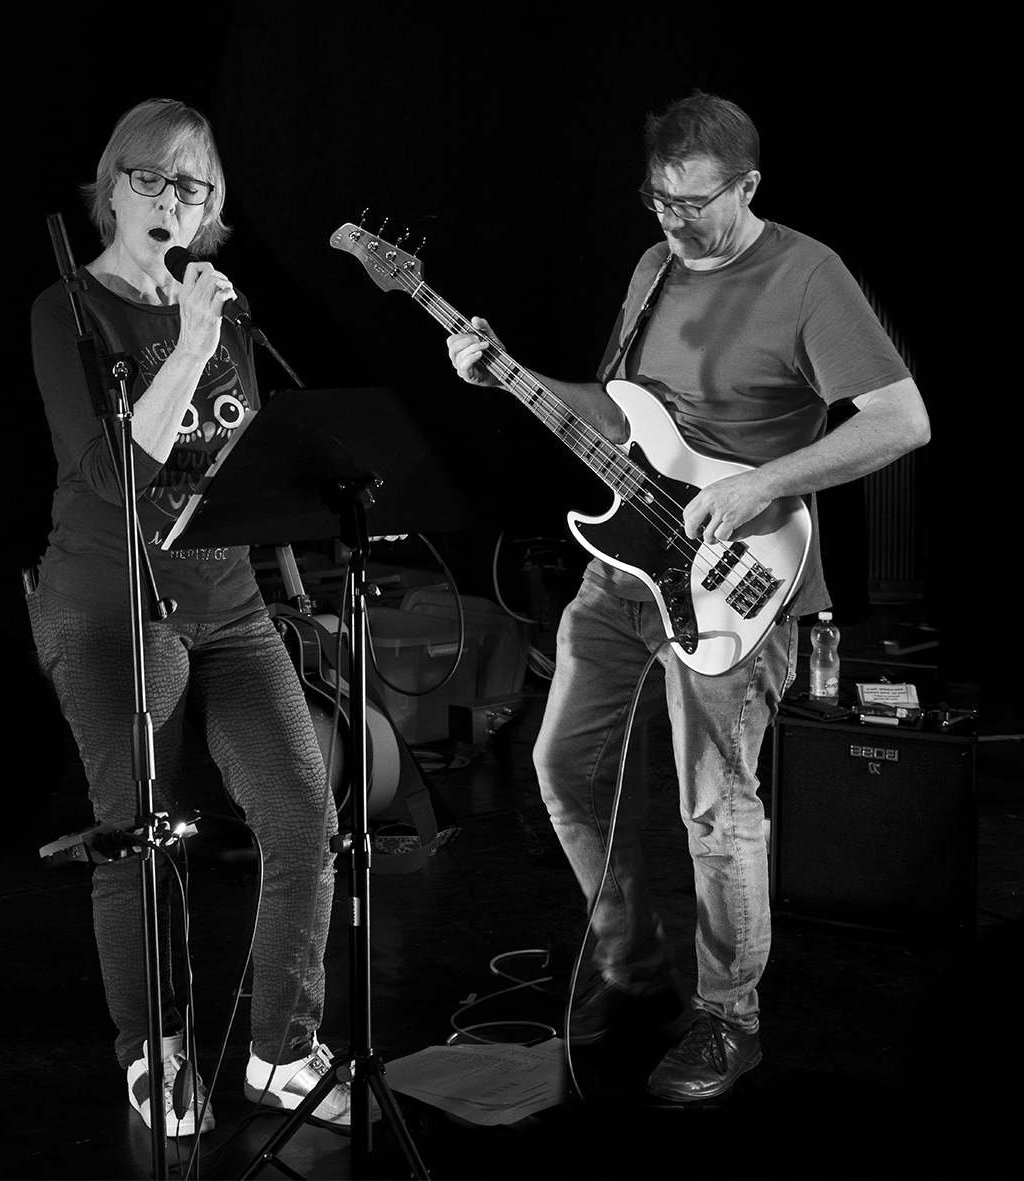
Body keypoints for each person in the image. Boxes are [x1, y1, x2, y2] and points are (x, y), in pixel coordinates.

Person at [446, 91, 930, 1101]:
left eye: (693, 203)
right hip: (626, 569)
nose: (672, 221)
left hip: (739, 578)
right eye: (656, 200)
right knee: (563, 766)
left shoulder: (807, 274)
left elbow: (900, 420)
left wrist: (760, 483)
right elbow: (616, 413)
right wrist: (510, 377)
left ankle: (727, 1018)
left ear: (746, 186)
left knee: (715, 808)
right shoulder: (653, 266)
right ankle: (632, 971)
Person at [28, 98, 357, 1135]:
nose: (171, 200)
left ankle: (281, 1051)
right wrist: (188, 338)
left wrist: (316, 520)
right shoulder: (67, 312)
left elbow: (237, 459)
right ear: (111, 186)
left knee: (302, 816)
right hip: (111, 605)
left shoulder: (227, 312)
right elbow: (116, 475)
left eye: (193, 185)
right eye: (151, 178)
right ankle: (153, 1048)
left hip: (228, 603)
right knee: (141, 831)